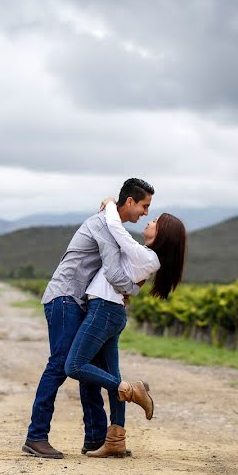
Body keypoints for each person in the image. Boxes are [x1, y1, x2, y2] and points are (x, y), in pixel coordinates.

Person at [23, 178, 154, 459]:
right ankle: (36, 436)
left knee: (89, 368)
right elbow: (115, 274)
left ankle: (95, 439)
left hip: (77, 301)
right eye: (144, 206)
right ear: (129, 202)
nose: (145, 213)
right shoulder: (104, 227)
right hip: (65, 298)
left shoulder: (112, 225)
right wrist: (129, 292)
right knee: (60, 366)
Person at [63, 195, 188, 457]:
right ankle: (116, 440)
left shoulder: (148, 257)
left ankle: (131, 390)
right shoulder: (147, 257)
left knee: (73, 365)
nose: (148, 221)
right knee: (112, 374)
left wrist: (110, 204)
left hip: (104, 310)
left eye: (154, 221)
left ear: (162, 233)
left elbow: (118, 232)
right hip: (111, 311)